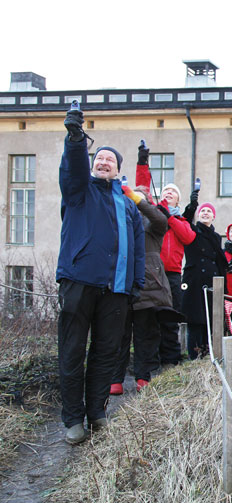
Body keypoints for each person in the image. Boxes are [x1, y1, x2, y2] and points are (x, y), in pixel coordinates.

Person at [56, 107, 145, 444]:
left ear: (118, 170)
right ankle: (72, 420)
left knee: (106, 353)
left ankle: (96, 412)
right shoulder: (79, 191)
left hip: (117, 291)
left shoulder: (128, 206)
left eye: (110, 159)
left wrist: (135, 285)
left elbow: (137, 249)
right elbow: (73, 169)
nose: (104, 162)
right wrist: (76, 141)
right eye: (100, 158)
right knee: (72, 350)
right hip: (78, 282)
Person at [110, 143, 177, 394]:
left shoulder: (154, 223)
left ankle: (142, 377)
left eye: (142, 198)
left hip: (149, 285)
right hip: (122, 282)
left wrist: (138, 199)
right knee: (119, 335)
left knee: (145, 335)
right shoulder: (121, 219)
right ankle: (115, 379)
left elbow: (161, 218)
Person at [136, 167, 196, 366]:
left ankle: (171, 359)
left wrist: (168, 217)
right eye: (165, 191)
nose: (168, 193)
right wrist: (142, 162)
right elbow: (141, 189)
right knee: (149, 317)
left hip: (171, 274)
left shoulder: (181, 220)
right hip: (151, 272)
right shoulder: (152, 213)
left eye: (173, 192)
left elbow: (188, 237)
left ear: (178, 200)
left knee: (170, 318)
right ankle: (149, 361)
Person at [181, 196, 228, 359]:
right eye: (203, 211)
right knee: (195, 320)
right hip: (194, 281)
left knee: (209, 320)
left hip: (212, 282)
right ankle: (194, 356)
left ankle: (208, 354)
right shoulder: (193, 230)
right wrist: (192, 206)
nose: (206, 213)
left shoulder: (216, 237)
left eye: (209, 211)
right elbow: (184, 221)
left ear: (213, 216)